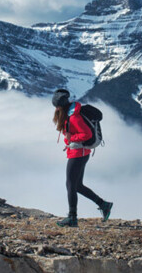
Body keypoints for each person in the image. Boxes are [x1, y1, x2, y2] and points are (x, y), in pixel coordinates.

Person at [51, 88, 113, 227]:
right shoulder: (69, 114)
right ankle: (104, 205)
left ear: (60, 106)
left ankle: (72, 218)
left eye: (56, 106)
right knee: (77, 185)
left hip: (78, 154)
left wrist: (72, 138)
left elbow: (87, 135)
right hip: (79, 153)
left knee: (70, 185)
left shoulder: (74, 117)